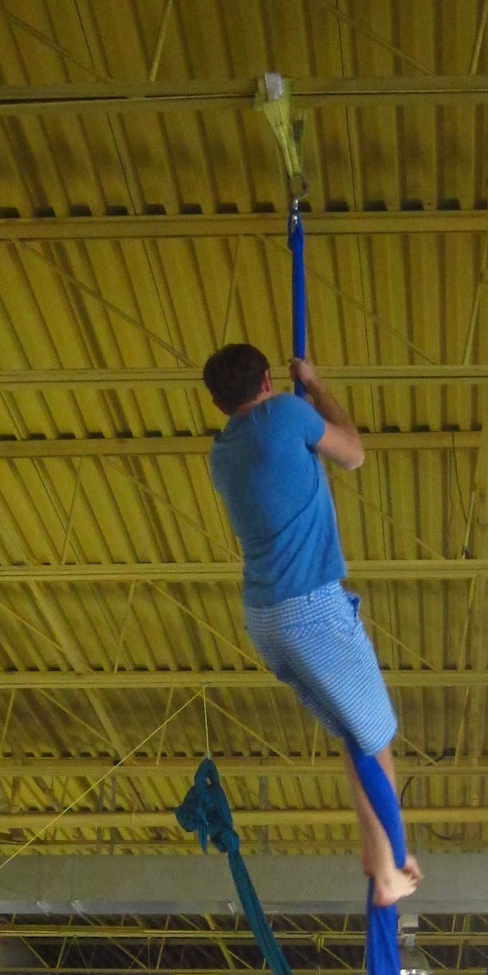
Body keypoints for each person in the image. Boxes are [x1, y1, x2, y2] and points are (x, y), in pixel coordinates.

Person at [202, 343, 420, 907]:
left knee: (355, 735)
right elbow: (352, 454)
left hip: (264, 618)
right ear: (269, 380)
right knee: (376, 741)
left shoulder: (221, 453)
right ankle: (389, 869)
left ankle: (380, 856)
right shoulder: (285, 415)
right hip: (311, 611)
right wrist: (318, 385)